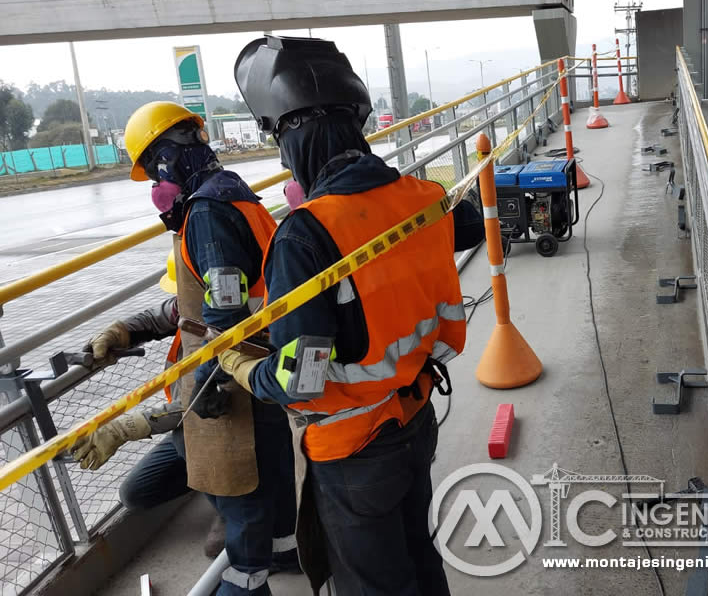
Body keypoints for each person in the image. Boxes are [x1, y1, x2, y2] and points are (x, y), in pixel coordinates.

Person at [219, 36, 484, 595]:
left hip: (354, 448)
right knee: (419, 554)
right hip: (415, 419)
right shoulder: (424, 198)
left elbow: (301, 379)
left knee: (374, 584)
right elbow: (471, 224)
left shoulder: (305, 234)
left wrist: (244, 369)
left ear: (292, 137)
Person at [104, 100, 295, 596]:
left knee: (243, 543)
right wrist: (130, 327)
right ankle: (274, 550)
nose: (155, 190)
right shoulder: (234, 199)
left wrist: (158, 416)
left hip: (228, 398)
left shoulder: (209, 212)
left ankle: (249, 572)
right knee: (258, 505)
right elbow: (199, 303)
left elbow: (223, 321)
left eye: (152, 174)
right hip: (249, 378)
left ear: (169, 157)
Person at [71, 257, 301, 569]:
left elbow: (207, 402)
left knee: (238, 546)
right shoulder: (190, 309)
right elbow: (156, 318)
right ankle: (219, 492)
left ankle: (230, 499)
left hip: (232, 432)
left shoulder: (242, 327)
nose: (178, 304)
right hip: (192, 431)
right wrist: (120, 331)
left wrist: (128, 427)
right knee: (136, 493)